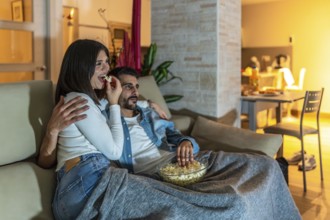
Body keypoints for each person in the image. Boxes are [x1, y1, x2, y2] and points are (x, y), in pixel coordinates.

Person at [39, 66, 301, 219]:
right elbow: (86, 150)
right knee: (234, 204)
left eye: (136, 87)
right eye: (127, 86)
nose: (135, 92)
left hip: (188, 161)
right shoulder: (102, 117)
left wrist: (186, 141)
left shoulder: (148, 111)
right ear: (113, 88)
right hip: (157, 175)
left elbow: (175, 135)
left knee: (266, 165)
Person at [50, 39, 124, 220]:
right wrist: (115, 105)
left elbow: (104, 109)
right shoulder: (79, 101)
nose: (106, 68)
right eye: (99, 64)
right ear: (81, 68)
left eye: (107, 62)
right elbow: (115, 151)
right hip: (84, 183)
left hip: (82, 183)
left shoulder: (87, 101)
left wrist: (147, 103)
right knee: (172, 201)